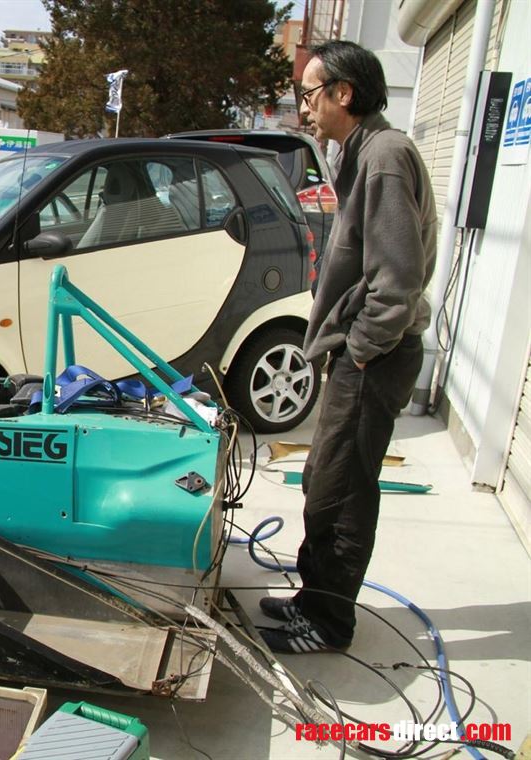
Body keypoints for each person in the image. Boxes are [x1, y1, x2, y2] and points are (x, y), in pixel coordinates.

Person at [259, 41, 437, 653]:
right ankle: (314, 598)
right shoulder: (360, 153)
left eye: (310, 94)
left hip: (375, 357)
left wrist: (361, 347)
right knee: (322, 479)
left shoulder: (384, 157)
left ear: (344, 93)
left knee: (341, 492)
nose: (304, 107)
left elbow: (398, 280)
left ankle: (328, 624)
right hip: (361, 353)